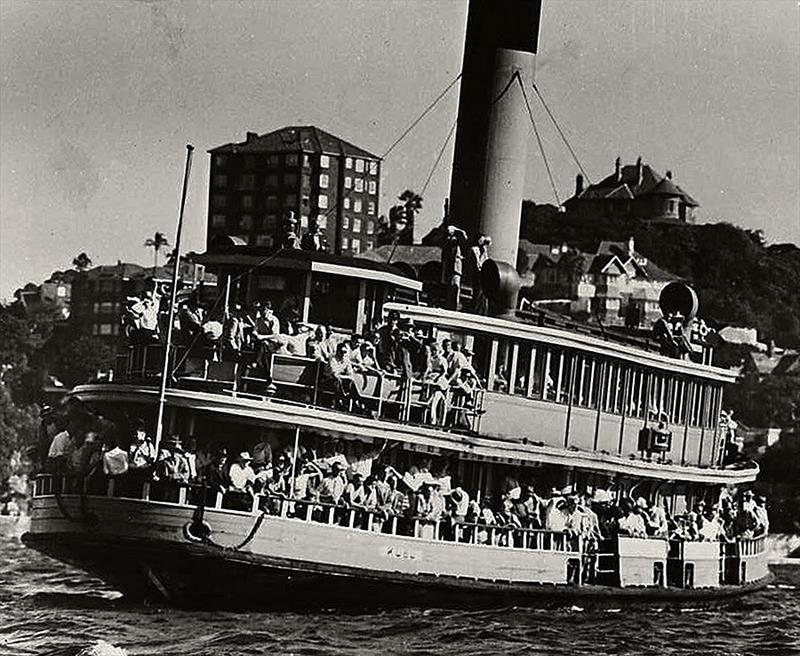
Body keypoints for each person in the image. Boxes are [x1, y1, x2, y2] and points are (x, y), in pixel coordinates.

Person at [440, 225, 467, 310]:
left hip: (456, 268)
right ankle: (450, 304)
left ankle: (454, 304)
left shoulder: (457, 239)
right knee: (450, 287)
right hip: (450, 267)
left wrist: (457, 229)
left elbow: (464, 237)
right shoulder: (448, 241)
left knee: (455, 286)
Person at [467, 233, 491, 313]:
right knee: (477, 291)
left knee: (482, 293)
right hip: (476, 273)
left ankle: (481, 310)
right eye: (481, 239)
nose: (482, 241)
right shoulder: (474, 249)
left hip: (482, 273)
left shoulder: (484, 249)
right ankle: (475, 309)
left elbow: (486, 259)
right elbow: (476, 261)